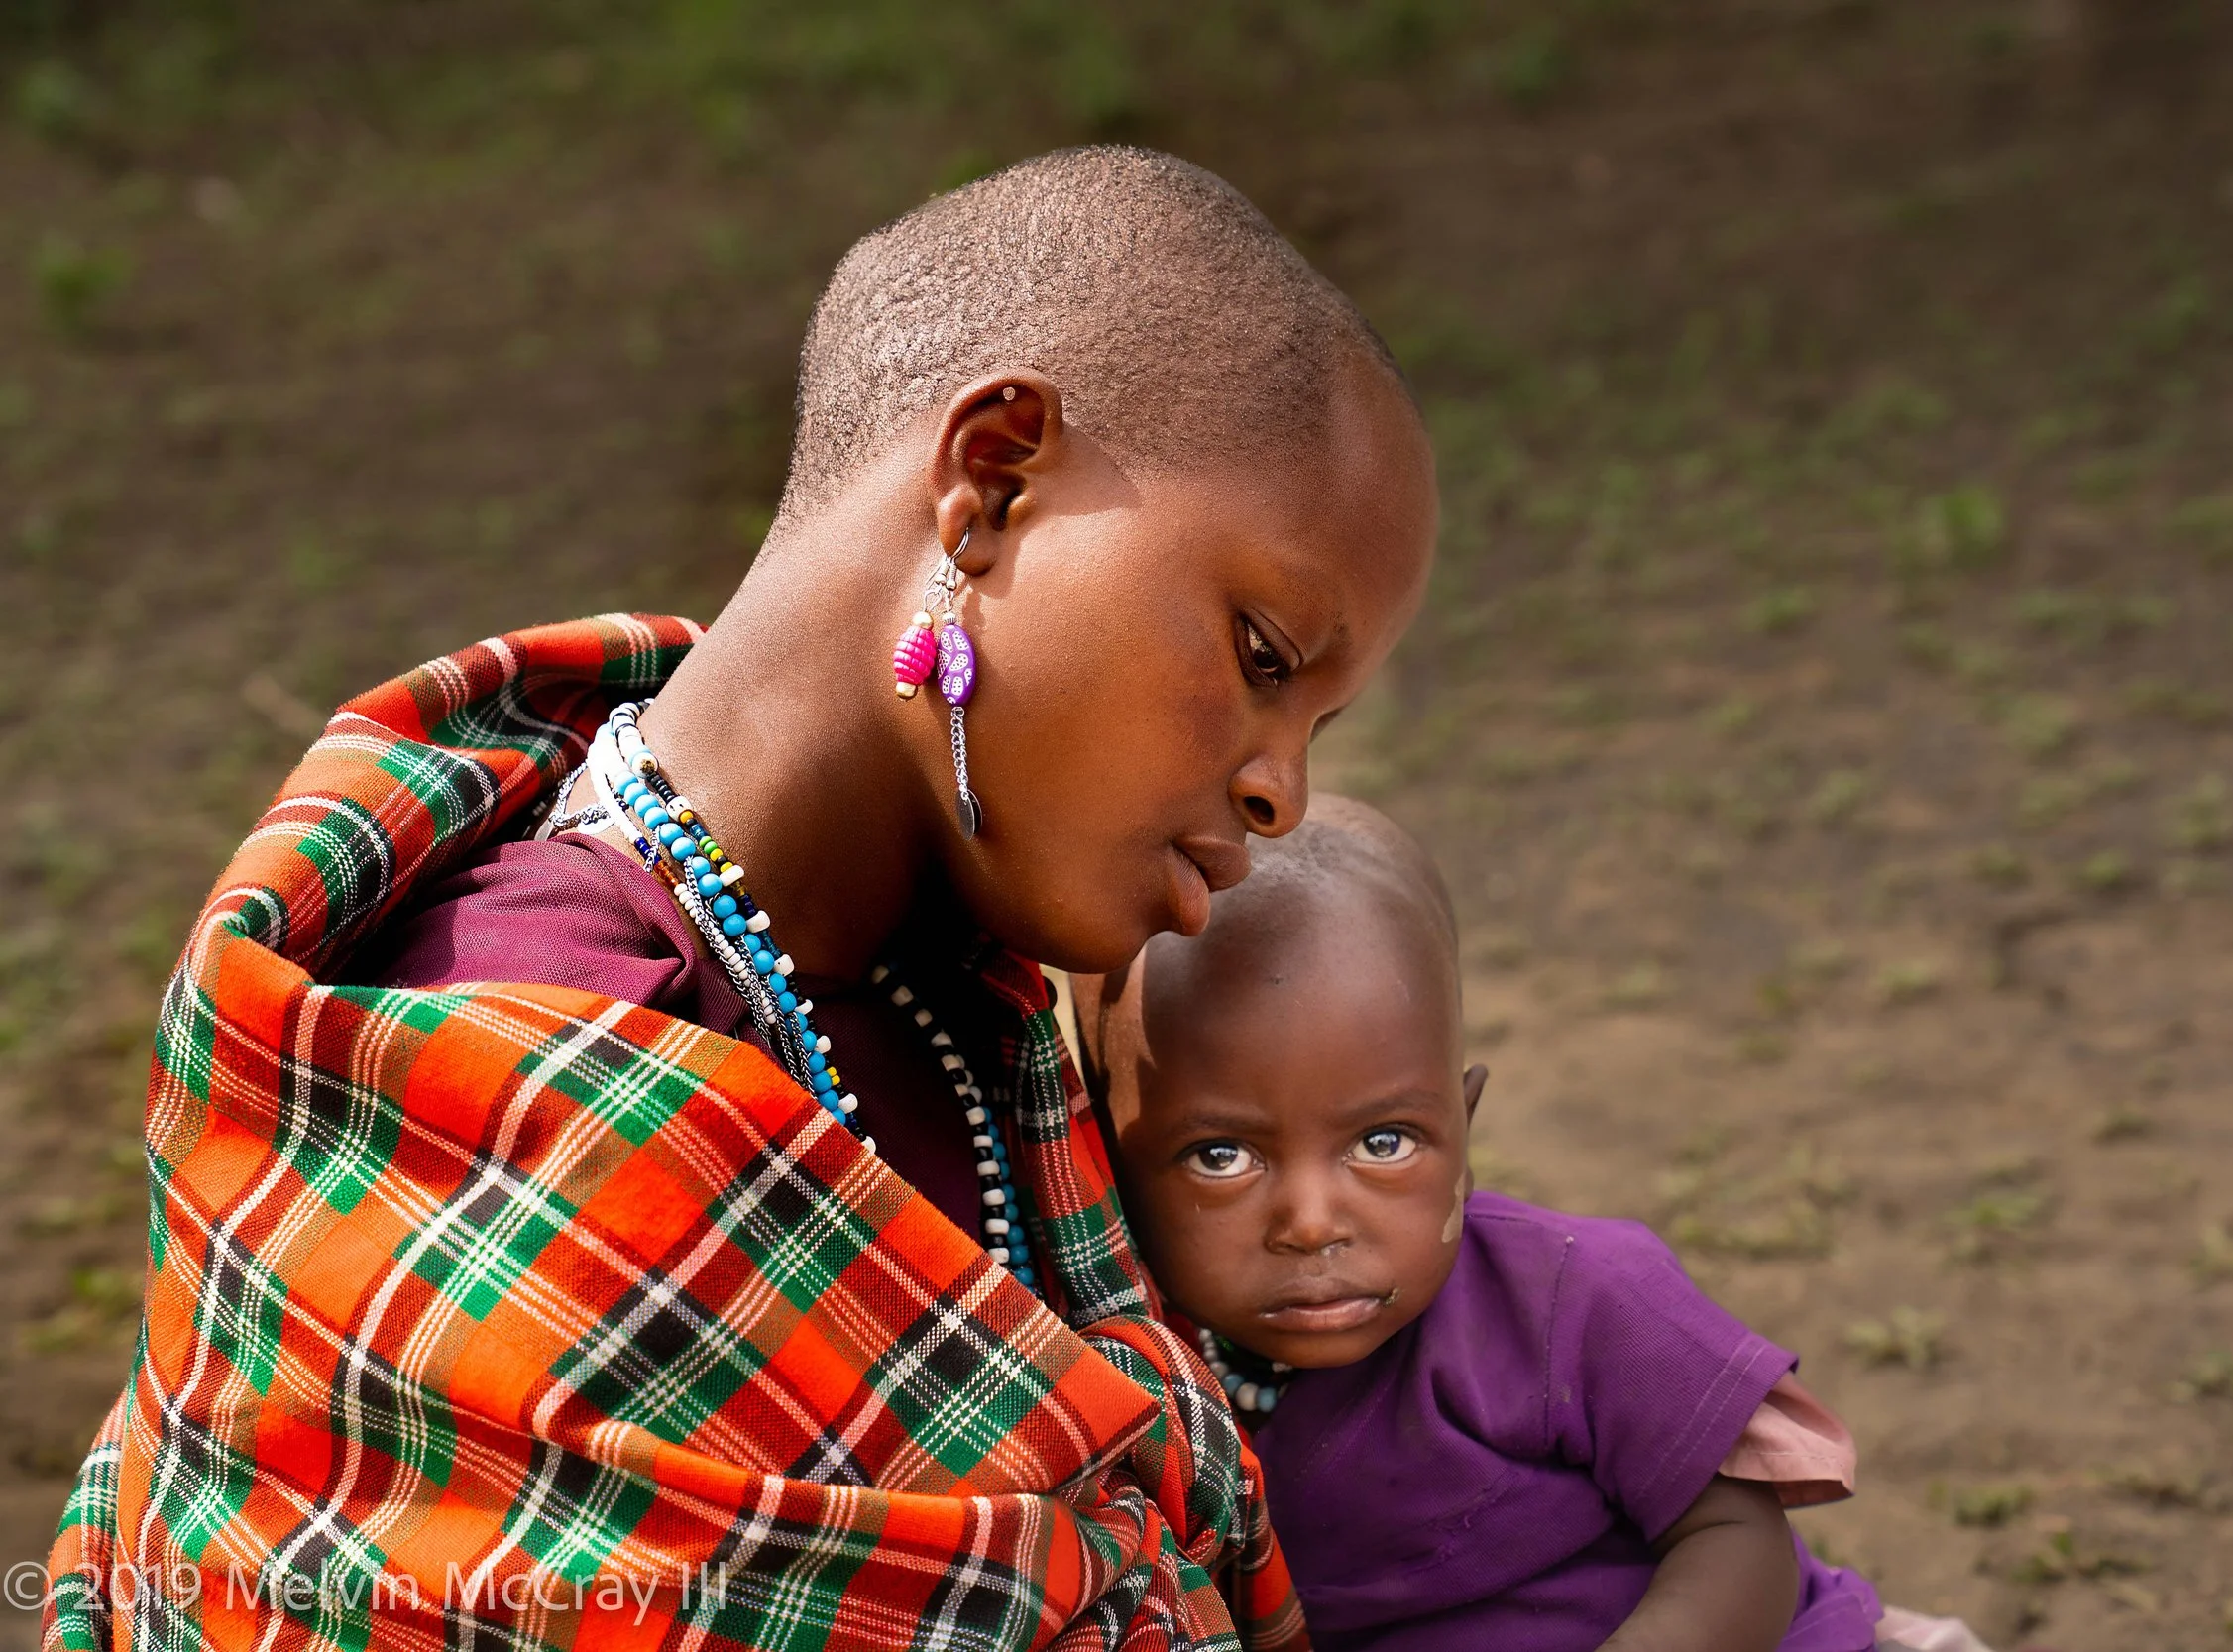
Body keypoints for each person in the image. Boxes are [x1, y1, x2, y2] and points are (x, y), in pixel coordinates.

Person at [44, 148, 1432, 1652]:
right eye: (1264, 655)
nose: (1279, 790)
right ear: (992, 483)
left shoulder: (978, 1012)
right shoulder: (519, 1060)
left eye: (1318, 729)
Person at [1076, 797, 2001, 1652]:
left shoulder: (1571, 1299)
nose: (1311, 1223)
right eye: (1221, 1156)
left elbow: (1737, 1531)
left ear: (1465, 1126)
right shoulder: (1131, 1380)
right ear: (1111, 1165)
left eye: (1385, 1140)